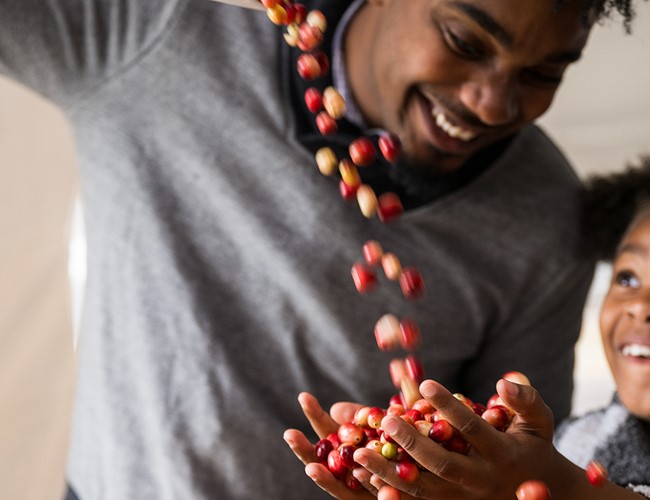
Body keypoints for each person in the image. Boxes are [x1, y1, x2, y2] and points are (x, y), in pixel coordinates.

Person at [0, 0, 634, 498]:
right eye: (464, 42)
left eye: (544, 72)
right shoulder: (164, 33)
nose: (493, 102)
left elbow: (503, 456)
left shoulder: (545, 212)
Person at [285, 157, 650, 499]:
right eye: (629, 278)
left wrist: (562, 488)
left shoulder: (560, 465)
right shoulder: (579, 441)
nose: (639, 306)